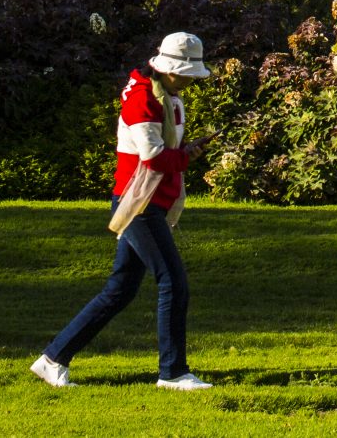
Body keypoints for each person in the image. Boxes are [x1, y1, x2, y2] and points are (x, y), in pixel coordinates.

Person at [31, 31, 214, 390]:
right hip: (140, 203)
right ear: (169, 70)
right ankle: (173, 372)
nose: (192, 81)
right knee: (172, 282)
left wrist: (185, 153)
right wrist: (188, 157)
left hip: (149, 200)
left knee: (120, 290)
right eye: (187, 73)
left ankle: (52, 358)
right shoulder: (144, 99)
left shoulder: (164, 95)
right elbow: (154, 157)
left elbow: (162, 152)